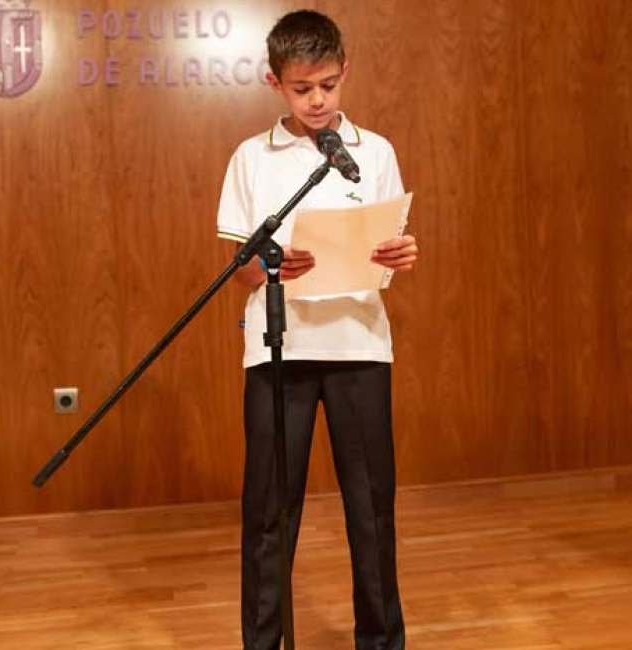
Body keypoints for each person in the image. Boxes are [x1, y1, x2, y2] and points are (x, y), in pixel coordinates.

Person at [216, 10, 417, 650]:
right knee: (268, 513)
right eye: (302, 88)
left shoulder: (375, 151)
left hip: (360, 343)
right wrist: (272, 266)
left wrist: (400, 255)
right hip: (279, 349)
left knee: (372, 509)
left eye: (328, 85)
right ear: (274, 82)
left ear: (344, 72)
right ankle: (263, 643)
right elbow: (242, 267)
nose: (317, 100)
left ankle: (381, 641)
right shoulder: (251, 158)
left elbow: (387, 247)